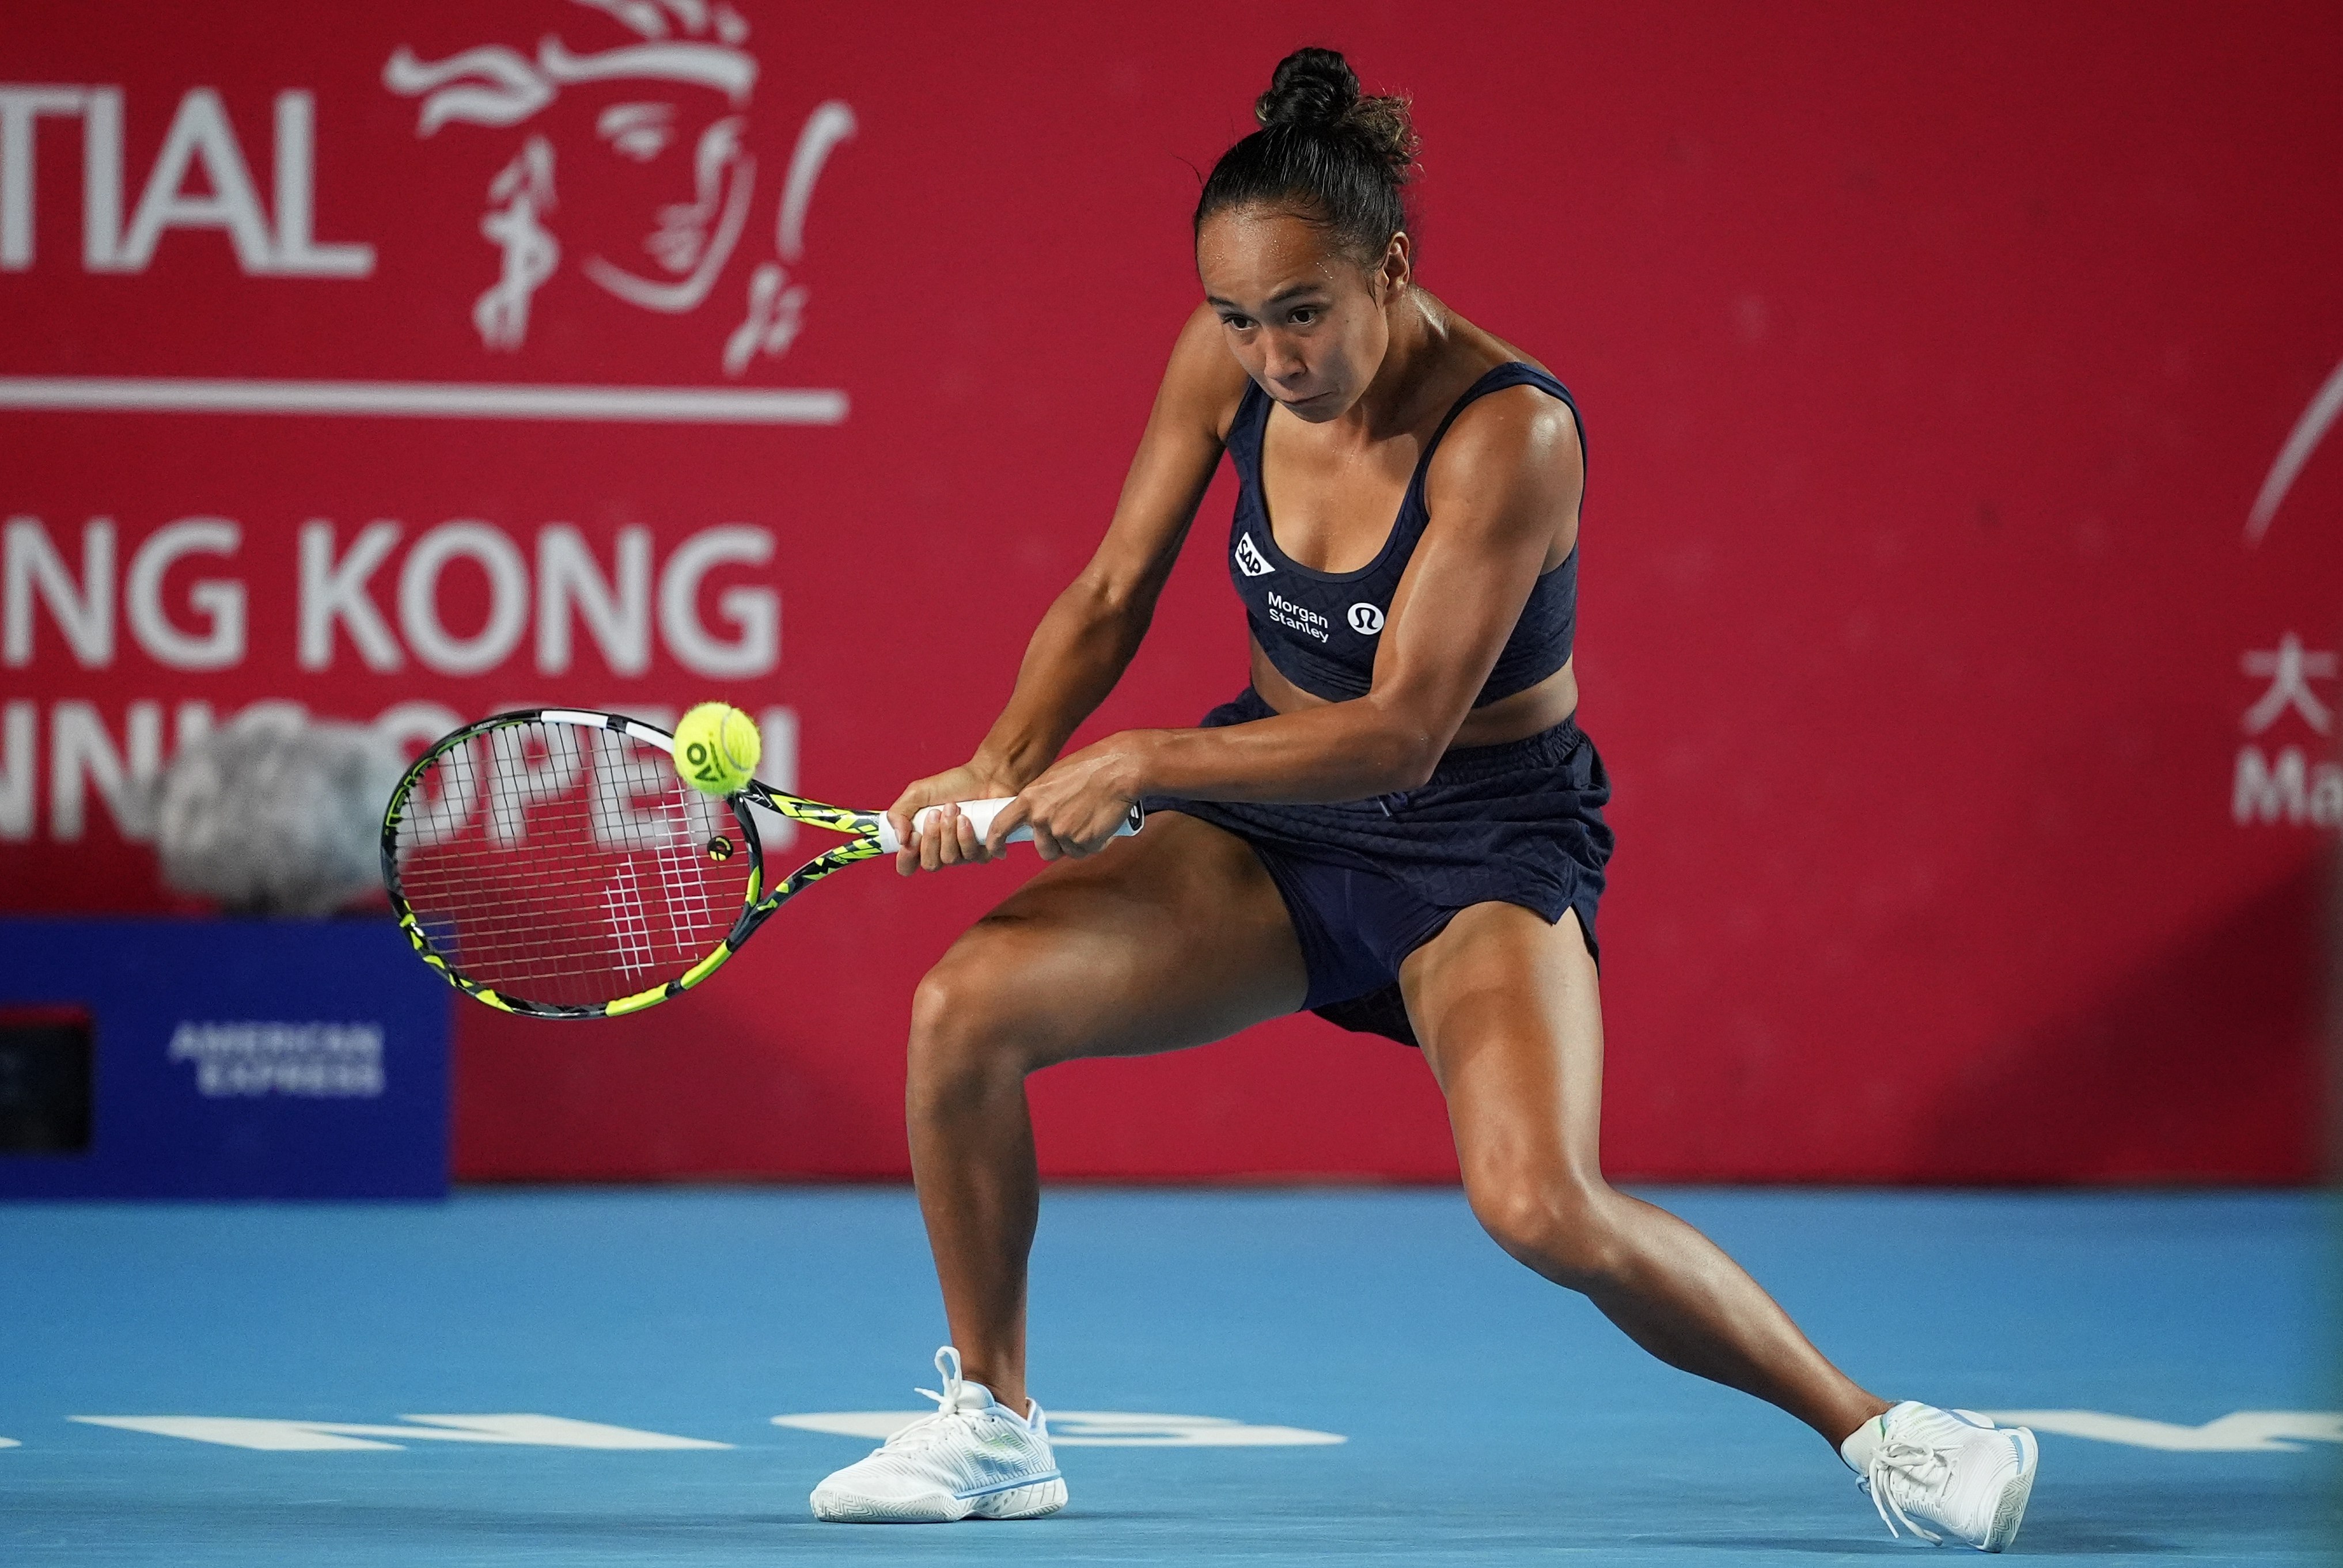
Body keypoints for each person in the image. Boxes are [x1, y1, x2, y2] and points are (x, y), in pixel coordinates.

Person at [809, 46, 2039, 1551]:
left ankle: (1890, 1436)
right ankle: (995, 1428)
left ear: (1389, 268)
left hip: (1478, 836)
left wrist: (1133, 766)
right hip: (1272, 817)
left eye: (1303, 313)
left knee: (1538, 1203)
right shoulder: (1229, 368)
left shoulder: (1511, 432)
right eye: (1237, 320)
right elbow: (1110, 590)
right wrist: (1001, 765)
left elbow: (1398, 737)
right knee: (961, 1012)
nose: (1269, 354)